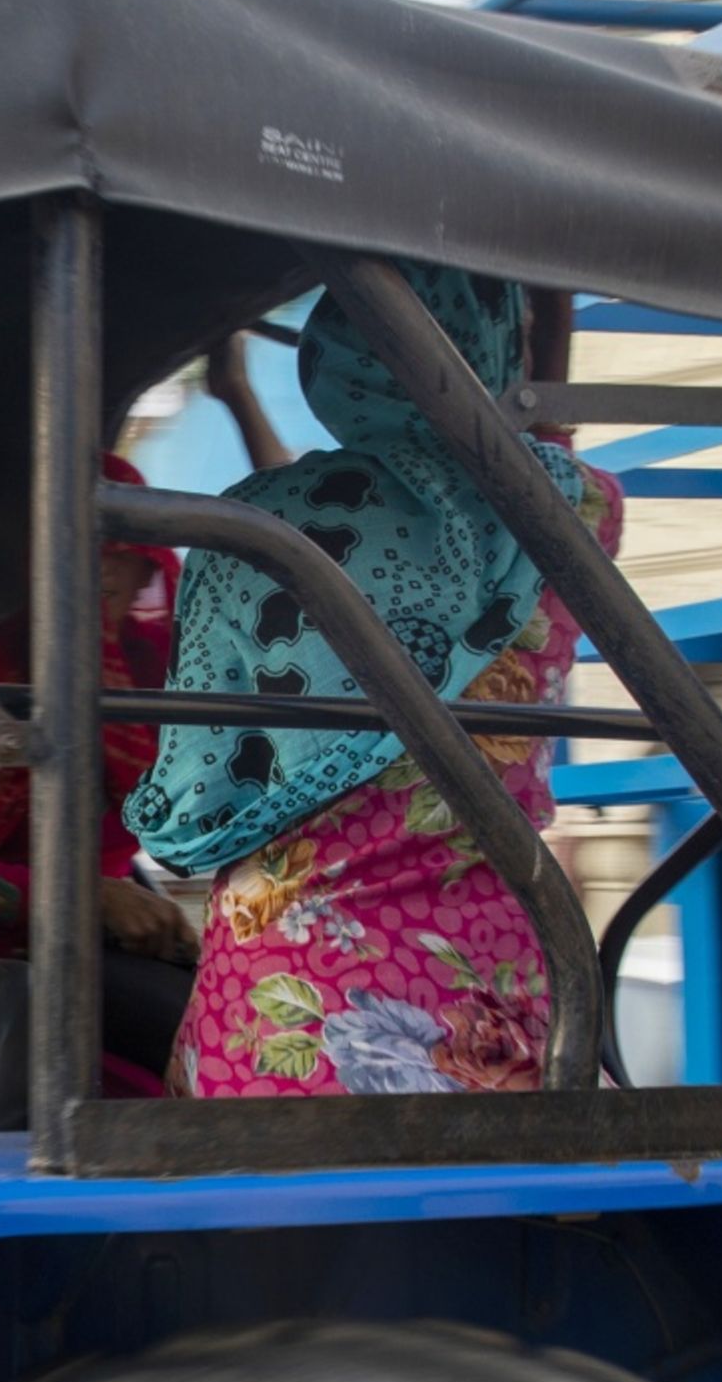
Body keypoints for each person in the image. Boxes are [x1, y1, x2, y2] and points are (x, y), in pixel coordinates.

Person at [130, 268, 623, 1097]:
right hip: (504, 1041)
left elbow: (191, 814)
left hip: (275, 1039)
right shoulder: (574, 510)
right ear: (497, 355)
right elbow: (542, 448)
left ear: (337, 354)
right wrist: (545, 329)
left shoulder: (246, 526)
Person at [0, 455, 195, 1086]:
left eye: (121, 543)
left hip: (106, 922)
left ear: (148, 563)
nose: (103, 563)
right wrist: (86, 897)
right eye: (81, 539)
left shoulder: (155, 666)